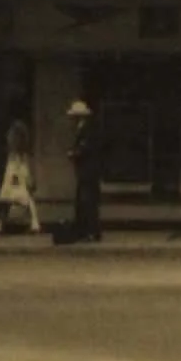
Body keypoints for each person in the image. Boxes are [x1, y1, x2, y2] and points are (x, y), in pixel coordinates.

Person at [0, 117, 42, 236]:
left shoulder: (21, 155)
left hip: (18, 179)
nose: (8, 138)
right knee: (6, 201)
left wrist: (25, 179)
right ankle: (0, 223)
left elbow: (23, 169)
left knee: (25, 199)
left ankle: (34, 222)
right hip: (12, 178)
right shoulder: (11, 154)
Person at [61, 91, 104, 246]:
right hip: (86, 171)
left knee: (88, 202)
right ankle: (88, 231)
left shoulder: (88, 129)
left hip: (88, 171)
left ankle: (91, 231)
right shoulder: (83, 128)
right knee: (84, 202)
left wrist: (74, 153)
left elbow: (86, 148)